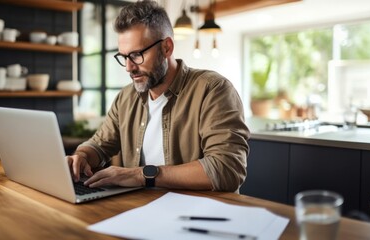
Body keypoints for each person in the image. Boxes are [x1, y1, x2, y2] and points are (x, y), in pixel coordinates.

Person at [66, 0, 250, 192]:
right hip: (140, 209)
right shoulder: (126, 97)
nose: (129, 67)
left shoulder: (213, 89)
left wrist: (139, 175)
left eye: (137, 55)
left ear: (167, 48)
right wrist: (83, 155)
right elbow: (99, 145)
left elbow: (227, 169)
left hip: (198, 213)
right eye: (124, 57)